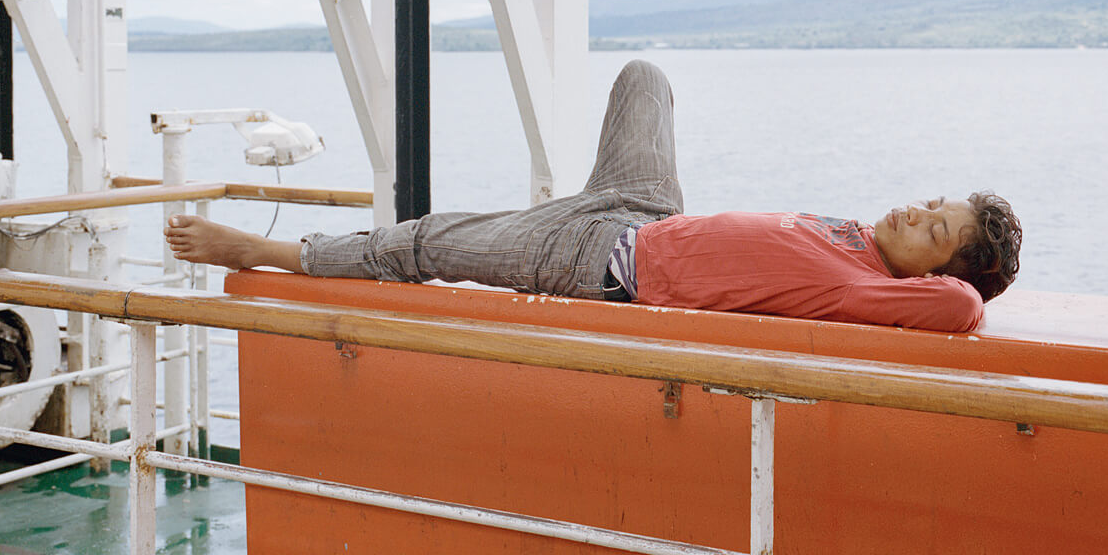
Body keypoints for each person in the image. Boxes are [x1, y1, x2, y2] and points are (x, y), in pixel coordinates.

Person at [165, 60, 1022, 332]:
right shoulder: (861, 244)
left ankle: (272, 250)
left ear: (932, 274)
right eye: (931, 200)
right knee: (645, 78)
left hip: (595, 261)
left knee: (426, 243)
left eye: (935, 227)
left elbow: (963, 310)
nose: (916, 209)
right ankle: (545, 210)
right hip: (645, 208)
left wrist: (966, 279)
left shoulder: (890, 292)